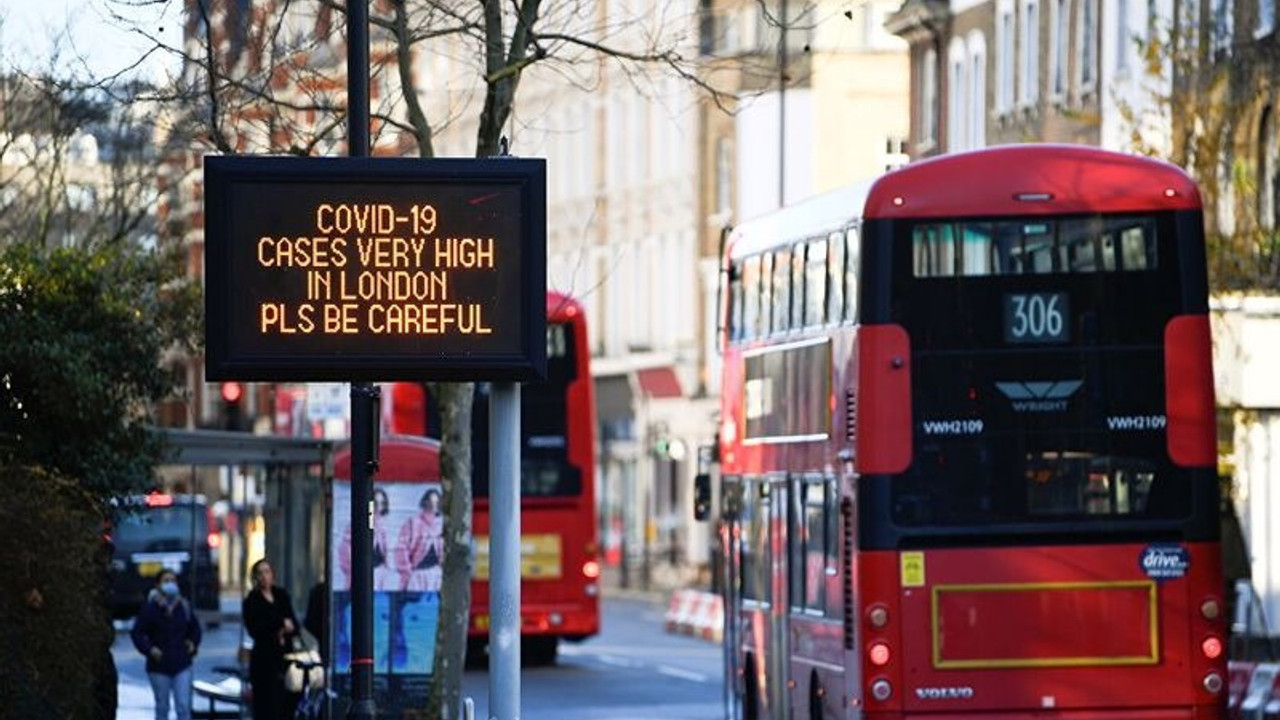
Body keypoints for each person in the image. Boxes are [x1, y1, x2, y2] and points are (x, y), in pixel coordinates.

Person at [130, 570, 202, 720]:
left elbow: (195, 629)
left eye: (173, 580)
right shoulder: (150, 609)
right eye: (166, 580)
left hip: (181, 662)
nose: (170, 584)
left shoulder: (184, 606)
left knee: (183, 706)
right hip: (159, 665)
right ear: (158, 585)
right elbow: (137, 633)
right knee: (162, 706)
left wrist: (192, 643)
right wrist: (149, 649)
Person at [243, 559, 299, 720]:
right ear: (255, 577)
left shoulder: (281, 595)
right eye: (260, 573)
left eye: (267, 571)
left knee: (286, 704)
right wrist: (280, 624)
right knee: (266, 705)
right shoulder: (252, 601)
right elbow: (256, 629)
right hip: (263, 660)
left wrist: (281, 627)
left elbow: (294, 625)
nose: (264, 576)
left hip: (285, 658)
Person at [338, 487, 394, 590]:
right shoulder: (357, 524)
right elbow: (345, 551)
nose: (378, 507)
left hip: (379, 574)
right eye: (375, 503)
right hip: (361, 576)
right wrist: (354, 571)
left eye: (382, 503)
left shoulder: (384, 526)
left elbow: (387, 551)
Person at [394, 488, 445, 593]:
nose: (433, 506)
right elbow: (401, 549)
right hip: (416, 575)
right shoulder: (413, 523)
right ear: (425, 503)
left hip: (437, 575)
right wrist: (407, 571)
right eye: (431, 503)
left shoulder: (442, 525)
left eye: (436, 503)